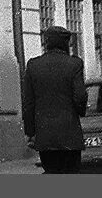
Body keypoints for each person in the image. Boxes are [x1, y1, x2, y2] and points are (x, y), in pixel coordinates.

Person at [22, 25, 87, 174]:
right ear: (65, 43)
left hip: (45, 135)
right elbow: (80, 96)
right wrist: (81, 111)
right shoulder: (74, 64)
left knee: (51, 171)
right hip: (69, 133)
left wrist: (30, 132)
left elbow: (28, 103)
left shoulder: (33, 65)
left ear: (47, 43)